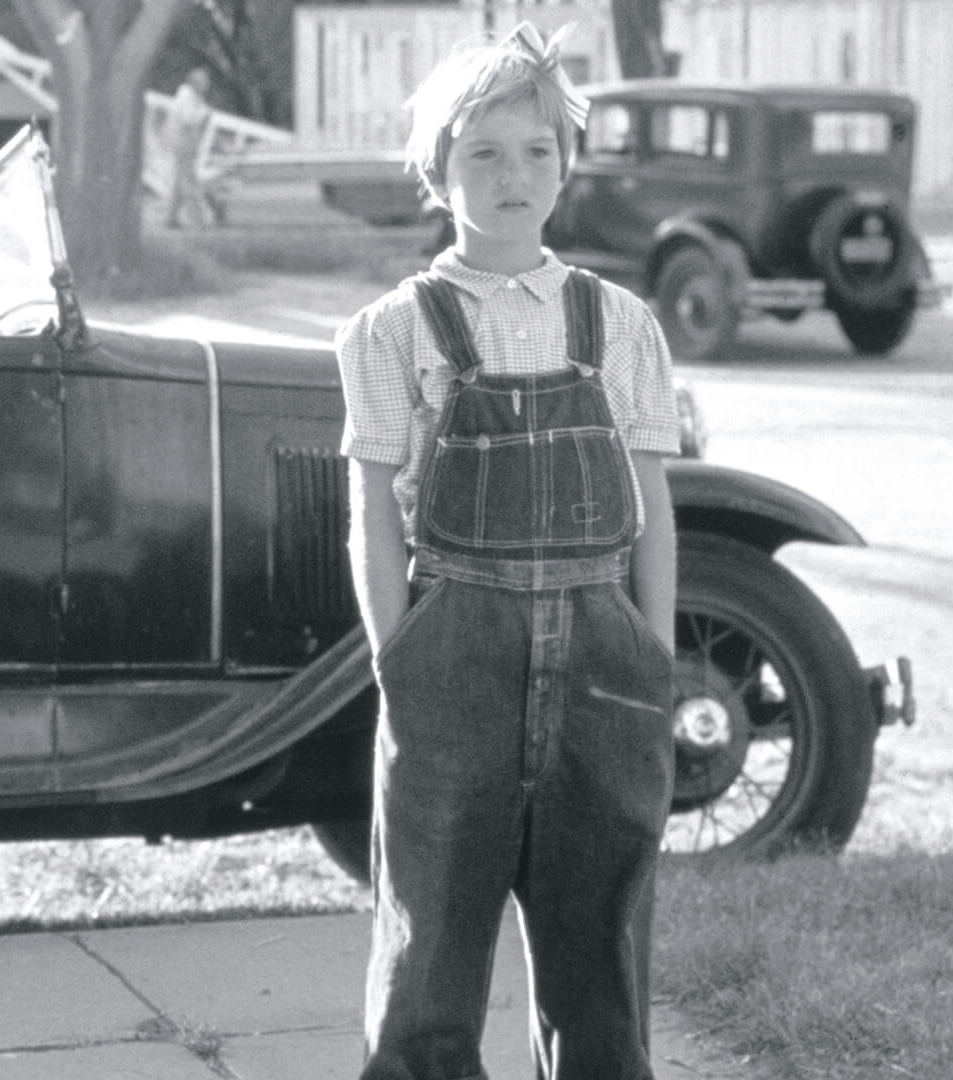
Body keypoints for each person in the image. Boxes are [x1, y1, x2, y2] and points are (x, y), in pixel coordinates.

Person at [334, 23, 680, 1080]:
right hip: (457, 653)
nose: (511, 174)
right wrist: (404, 659)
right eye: (481, 153)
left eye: (535, 151)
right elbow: (372, 510)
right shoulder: (390, 330)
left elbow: (654, 507)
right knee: (430, 939)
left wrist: (652, 652)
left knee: (601, 940)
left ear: (566, 167)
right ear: (437, 174)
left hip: (601, 657)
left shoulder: (619, 323)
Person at [165, 68, 217, 229]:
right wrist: (204, 114)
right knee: (189, 181)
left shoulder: (193, 98)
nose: (207, 85)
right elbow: (189, 118)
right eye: (203, 81)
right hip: (183, 143)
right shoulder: (187, 98)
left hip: (186, 143)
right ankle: (198, 221)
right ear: (194, 82)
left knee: (180, 182)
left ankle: (171, 218)